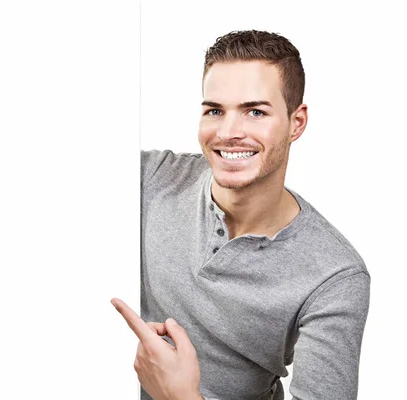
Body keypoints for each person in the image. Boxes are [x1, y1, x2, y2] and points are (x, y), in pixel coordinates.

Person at [111, 30, 371, 400]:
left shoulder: (334, 276)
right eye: (215, 110)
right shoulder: (151, 179)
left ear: (296, 123)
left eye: (255, 112)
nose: (229, 132)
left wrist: (180, 397)